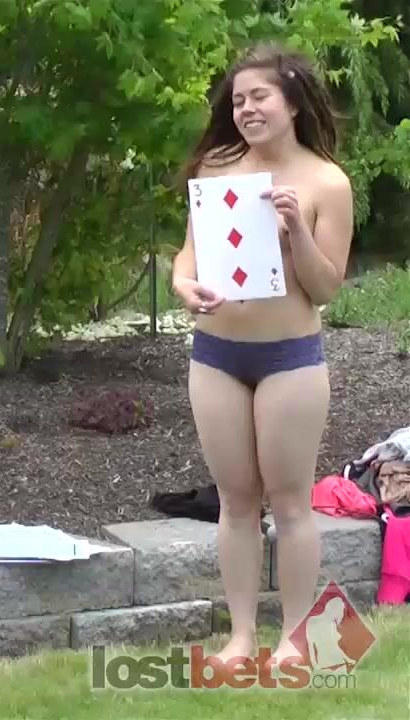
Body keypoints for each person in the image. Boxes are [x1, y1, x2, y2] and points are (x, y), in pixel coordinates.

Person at [171, 43, 354, 670]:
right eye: (237, 100)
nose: (245, 109)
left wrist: (296, 230)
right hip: (216, 355)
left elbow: (325, 288)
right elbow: (190, 252)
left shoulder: (326, 182)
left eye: (259, 97)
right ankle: (242, 636)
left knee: (291, 502)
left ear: (293, 103)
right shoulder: (217, 167)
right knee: (236, 501)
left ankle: (297, 639)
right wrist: (181, 283)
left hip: (290, 360)